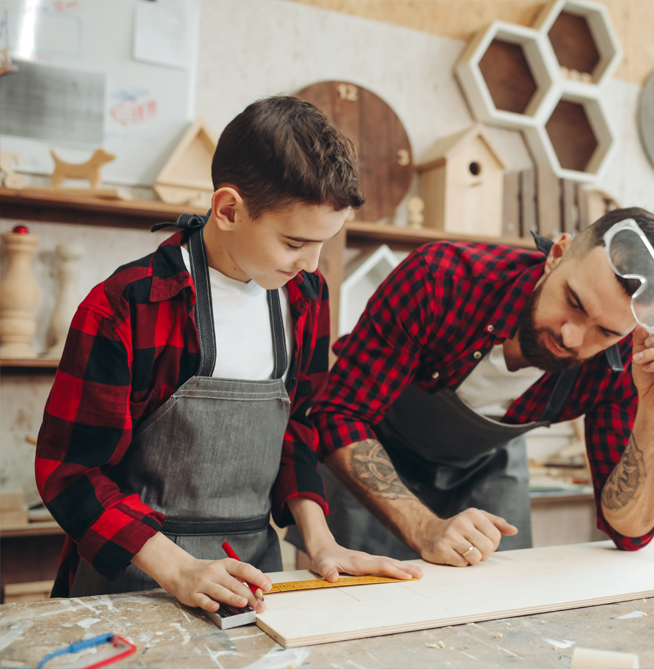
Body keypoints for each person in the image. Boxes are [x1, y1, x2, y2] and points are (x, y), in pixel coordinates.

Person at [35, 96, 421, 615]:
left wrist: (319, 539)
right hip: (135, 580)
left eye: (322, 245)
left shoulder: (305, 297)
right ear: (228, 209)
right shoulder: (128, 305)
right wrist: (179, 570)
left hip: (253, 574)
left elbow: (295, 432)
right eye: (294, 242)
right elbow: (70, 473)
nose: (311, 263)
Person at [287, 207, 654, 565]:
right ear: (556, 255)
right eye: (574, 302)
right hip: (371, 446)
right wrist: (424, 527)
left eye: (605, 332)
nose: (574, 338)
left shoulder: (626, 362)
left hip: (487, 469)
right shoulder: (441, 278)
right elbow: (339, 412)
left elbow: (629, 532)